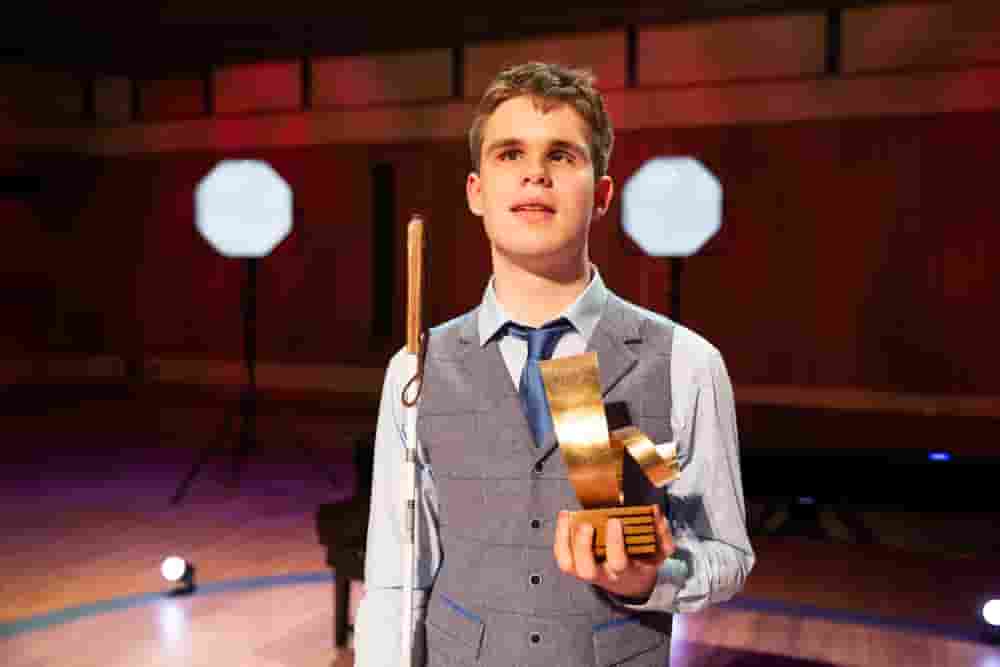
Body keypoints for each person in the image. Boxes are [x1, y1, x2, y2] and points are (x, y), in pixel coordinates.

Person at [355, 61, 754, 666]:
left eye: (562, 156)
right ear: (476, 192)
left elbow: (727, 553)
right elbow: (395, 576)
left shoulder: (688, 364)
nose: (535, 173)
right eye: (509, 154)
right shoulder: (414, 370)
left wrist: (653, 579)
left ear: (601, 195)